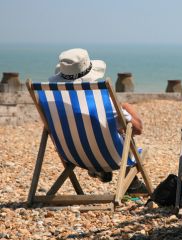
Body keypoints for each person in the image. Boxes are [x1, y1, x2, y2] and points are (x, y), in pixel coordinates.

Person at [49, 48, 145, 188]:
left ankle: (98, 168)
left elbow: (51, 133)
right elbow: (137, 129)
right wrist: (125, 106)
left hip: (73, 156)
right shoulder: (103, 103)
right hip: (111, 156)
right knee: (124, 132)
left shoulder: (53, 104)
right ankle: (133, 185)